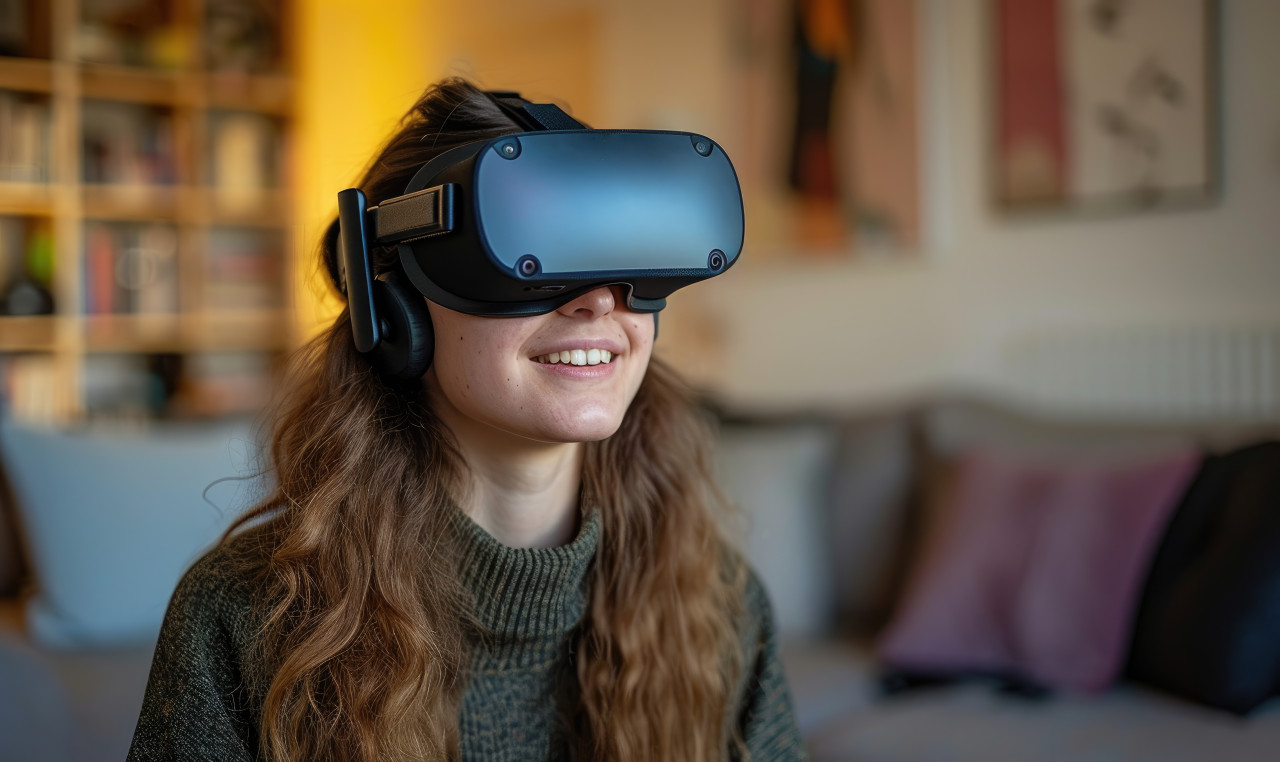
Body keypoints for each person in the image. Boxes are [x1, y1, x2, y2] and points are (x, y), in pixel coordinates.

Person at [128, 78, 805, 761]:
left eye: (617, 254)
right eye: (530, 254)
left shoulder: (721, 609)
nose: (600, 300)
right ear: (397, 313)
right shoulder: (248, 617)